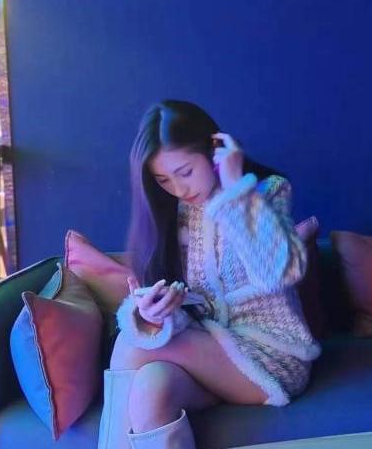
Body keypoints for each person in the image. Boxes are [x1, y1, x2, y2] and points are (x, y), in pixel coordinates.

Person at [98, 100, 320, 448]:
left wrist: (234, 190)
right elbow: (194, 311)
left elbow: (277, 275)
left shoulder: (267, 190)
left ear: (213, 148)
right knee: (151, 387)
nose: (179, 189)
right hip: (212, 355)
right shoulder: (173, 213)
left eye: (185, 172)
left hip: (273, 355)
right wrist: (155, 314)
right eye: (163, 180)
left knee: (130, 343)